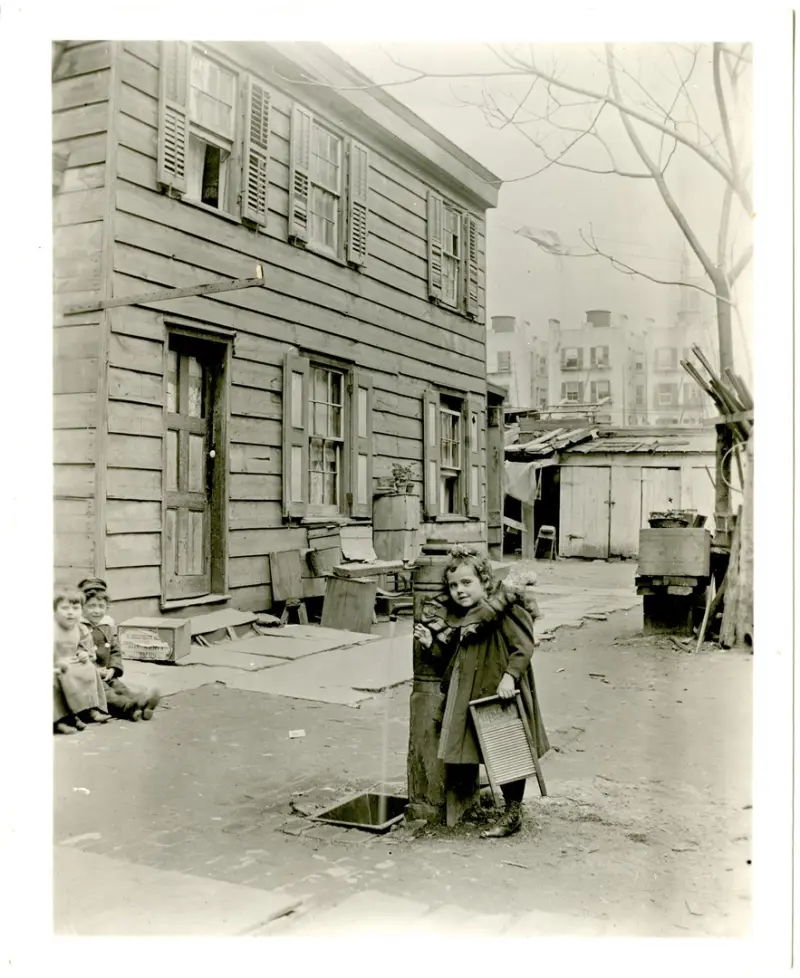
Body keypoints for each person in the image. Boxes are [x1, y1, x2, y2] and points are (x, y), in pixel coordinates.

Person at [413, 547, 550, 838]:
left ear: (484, 582)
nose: (459, 590)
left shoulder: (503, 609)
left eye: (467, 582)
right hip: (474, 693)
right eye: (453, 585)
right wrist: (431, 645)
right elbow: (457, 656)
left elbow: (524, 646)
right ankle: (501, 805)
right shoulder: (464, 617)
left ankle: (513, 812)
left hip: (500, 688)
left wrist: (510, 677)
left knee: (507, 746)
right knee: (485, 747)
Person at [78, 578, 161, 721]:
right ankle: (128, 707)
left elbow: (115, 650)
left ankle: (143, 705)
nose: (97, 611)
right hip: (90, 677)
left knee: (121, 688)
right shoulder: (79, 629)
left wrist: (113, 669)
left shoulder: (106, 626)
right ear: (81, 607)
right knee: (107, 694)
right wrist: (95, 671)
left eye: (101, 606)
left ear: (106, 607)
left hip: (107, 673)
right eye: (91, 606)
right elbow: (77, 655)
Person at [54, 586, 110, 734]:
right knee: (58, 677)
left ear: (81, 610)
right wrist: (57, 661)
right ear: (54, 611)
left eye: (75, 608)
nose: (70, 612)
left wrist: (83, 653)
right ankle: (61, 719)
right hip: (54, 664)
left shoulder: (80, 628)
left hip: (72, 661)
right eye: (65, 608)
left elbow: (84, 647)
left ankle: (90, 708)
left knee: (88, 668)